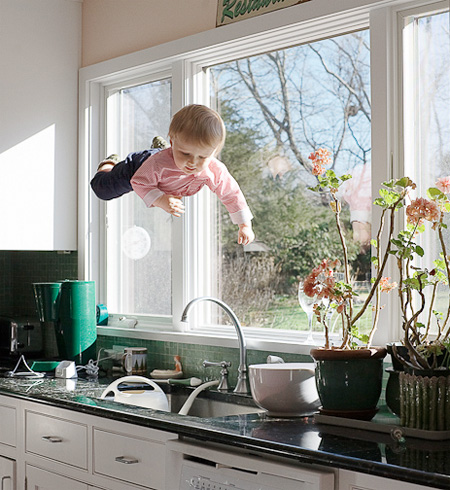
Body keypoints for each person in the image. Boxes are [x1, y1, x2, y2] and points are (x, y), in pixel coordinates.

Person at [90, 105, 254, 246]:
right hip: (138, 168)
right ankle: (109, 164)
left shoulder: (214, 170)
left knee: (171, 157)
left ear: (214, 153)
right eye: (185, 153)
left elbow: (231, 193)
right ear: (174, 141)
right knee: (103, 190)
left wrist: (244, 224)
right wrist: (160, 200)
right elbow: (139, 182)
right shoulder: (157, 164)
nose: (192, 162)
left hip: (166, 163)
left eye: (202, 157)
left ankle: (163, 148)